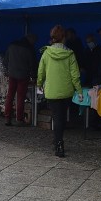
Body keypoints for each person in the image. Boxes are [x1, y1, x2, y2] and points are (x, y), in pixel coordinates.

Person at [38, 25, 82, 158]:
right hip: (66, 91)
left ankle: (58, 142)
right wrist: (79, 90)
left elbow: (41, 71)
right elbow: (75, 74)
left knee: (57, 117)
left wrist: (39, 83)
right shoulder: (70, 53)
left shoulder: (46, 52)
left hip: (51, 91)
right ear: (64, 38)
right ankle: (58, 141)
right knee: (61, 118)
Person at [3, 33, 37, 126]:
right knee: (20, 97)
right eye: (34, 41)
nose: (34, 43)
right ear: (31, 40)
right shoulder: (29, 49)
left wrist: (9, 70)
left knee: (10, 96)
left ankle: (7, 117)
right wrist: (34, 77)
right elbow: (33, 65)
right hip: (23, 76)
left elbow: (5, 61)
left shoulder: (12, 45)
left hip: (12, 74)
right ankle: (19, 119)